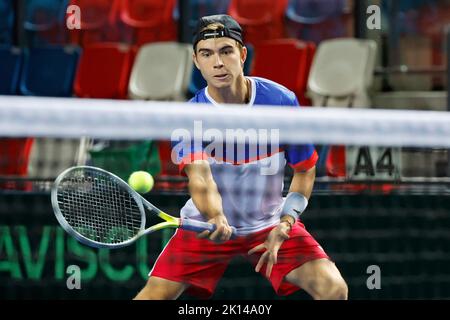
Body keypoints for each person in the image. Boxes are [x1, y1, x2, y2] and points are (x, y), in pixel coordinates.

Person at [135, 14, 348, 300]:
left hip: (269, 224)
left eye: (226, 51)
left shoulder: (280, 102)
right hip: (206, 227)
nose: (218, 63)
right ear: (196, 61)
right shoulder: (190, 115)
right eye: (207, 54)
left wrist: (285, 224)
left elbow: (305, 170)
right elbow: (200, 178)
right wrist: (215, 216)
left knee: (334, 289)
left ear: (242, 54)